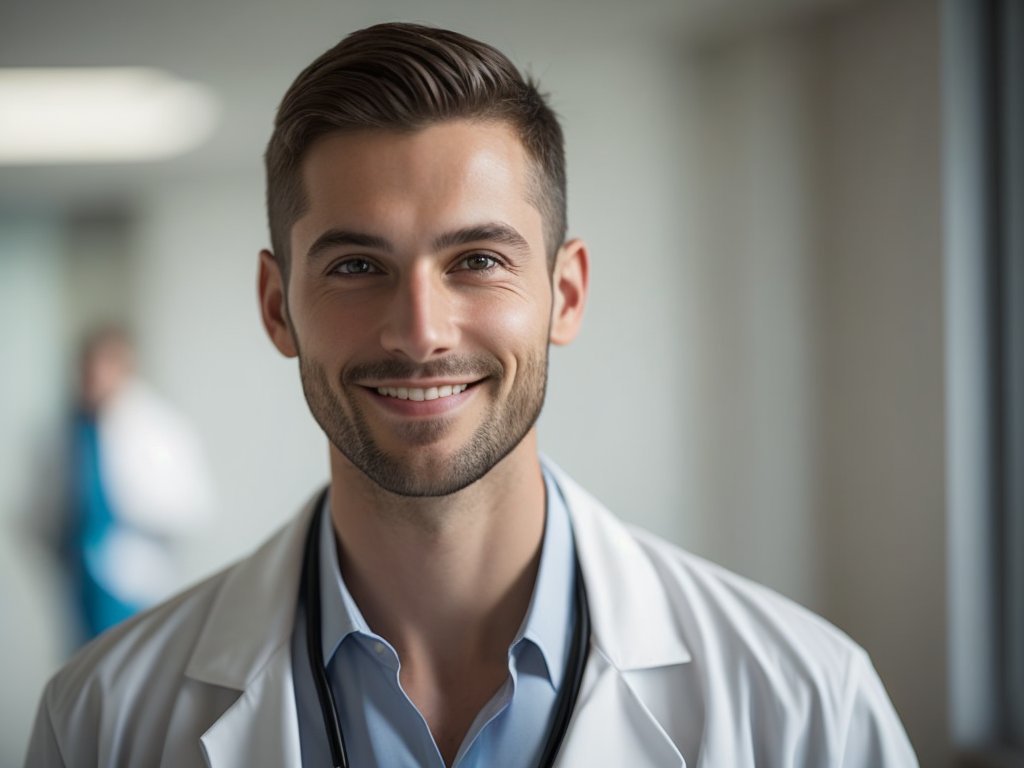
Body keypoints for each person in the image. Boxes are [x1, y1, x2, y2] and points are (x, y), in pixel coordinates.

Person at [25, 23, 919, 768]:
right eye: (356, 266)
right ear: (276, 306)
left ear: (565, 295)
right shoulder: (103, 718)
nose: (420, 331)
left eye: (478, 261)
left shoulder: (808, 705)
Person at [64, 327, 214, 641]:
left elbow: (195, 507)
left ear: (125, 367)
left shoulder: (156, 427)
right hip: (83, 579)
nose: (91, 377)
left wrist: (130, 509)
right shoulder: (75, 427)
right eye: (86, 367)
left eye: (101, 366)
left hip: (134, 583)